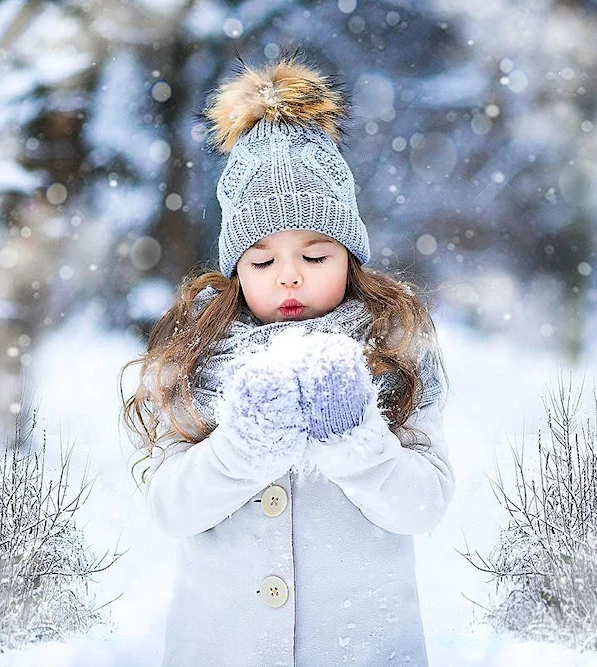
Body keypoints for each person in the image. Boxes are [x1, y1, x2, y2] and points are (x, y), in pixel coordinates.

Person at [120, 51, 455, 667]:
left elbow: (422, 506)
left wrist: (354, 435)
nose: (290, 278)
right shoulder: (199, 357)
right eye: (263, 261)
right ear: (234, 267)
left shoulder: (392, 351)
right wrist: (242, 447)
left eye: (317, 255)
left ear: (351, 257)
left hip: (362, 648)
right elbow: (171, 510)